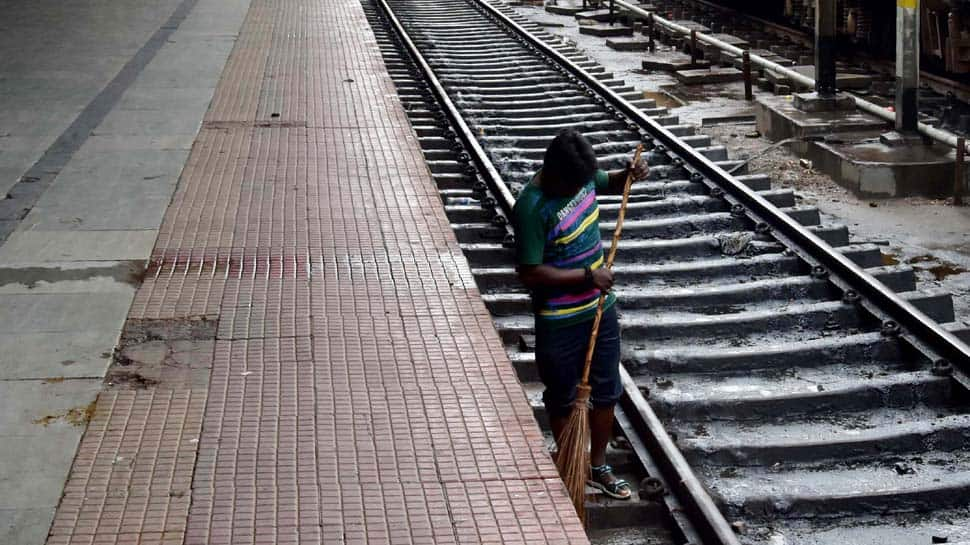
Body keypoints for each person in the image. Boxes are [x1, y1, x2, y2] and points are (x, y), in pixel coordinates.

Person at [512, 128, 648, 500]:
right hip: (559, 322)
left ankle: (598, 465)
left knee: (605, 392)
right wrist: (588, 276)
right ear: (553, 172)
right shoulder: (531, 207)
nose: (579, 189)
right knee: (562, 397)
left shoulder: (582, 177)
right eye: (573, 184)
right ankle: (571, 461)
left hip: (600, 311)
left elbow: (611, 182)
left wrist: (629, 175)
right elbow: (530, 272)